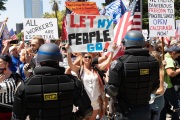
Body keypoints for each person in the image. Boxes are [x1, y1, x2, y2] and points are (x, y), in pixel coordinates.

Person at [11, 43, 93, 120]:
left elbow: (17, 117)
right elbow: (87, 111)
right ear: (58, 60)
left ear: (39, 60)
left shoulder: (24, 86)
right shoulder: (74, 83)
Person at [105, 30, 160, 120]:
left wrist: (106, 85)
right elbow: (155, 87)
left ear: (125, 43)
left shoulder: (119, 63)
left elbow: (112, 91)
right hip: (145, 110)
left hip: (126, 112)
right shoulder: (154, 62)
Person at [160, 46, 180, 120]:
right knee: (175, 104)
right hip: (168, 85)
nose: (178, 57)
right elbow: (171, 73)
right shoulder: (169, 60)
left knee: (164, 104)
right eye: (178, 55)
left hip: (164, 85)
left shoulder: (164, 56)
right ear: (173, 53)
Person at [0, 55, 20, 120]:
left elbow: (21, 90)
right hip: (1, 111)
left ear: (7, 64)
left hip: (13, 111)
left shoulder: (15, 76)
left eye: (0, 62)